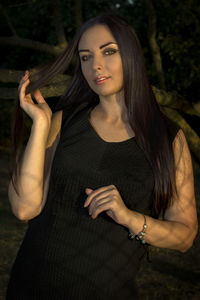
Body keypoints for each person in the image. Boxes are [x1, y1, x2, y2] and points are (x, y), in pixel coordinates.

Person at [6, 13, 198, 300]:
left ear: (131, 55)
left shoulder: (169, 140)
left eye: (109, 51)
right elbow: (24, 208)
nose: (95, 65)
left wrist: (130, 218)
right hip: (33, 286)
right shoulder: (63, 122)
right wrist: (41, 126)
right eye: (85, 57)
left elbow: (185, 236)